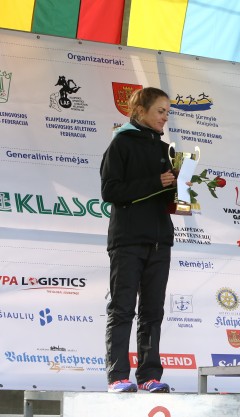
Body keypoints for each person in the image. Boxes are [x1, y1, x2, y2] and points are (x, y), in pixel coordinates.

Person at [100, 87, 175, 393]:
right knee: (122, 309)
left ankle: (149, 376)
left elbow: (166, 197)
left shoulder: (166, 150)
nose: (165, 117)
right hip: (128, 240)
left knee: (153, 312)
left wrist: (182, 190)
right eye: (160, 111)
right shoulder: (121, 143)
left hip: (160, 240)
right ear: (141, 111)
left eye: (167, 112)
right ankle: (118, 376)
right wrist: (156, 182)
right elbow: (111, 191)